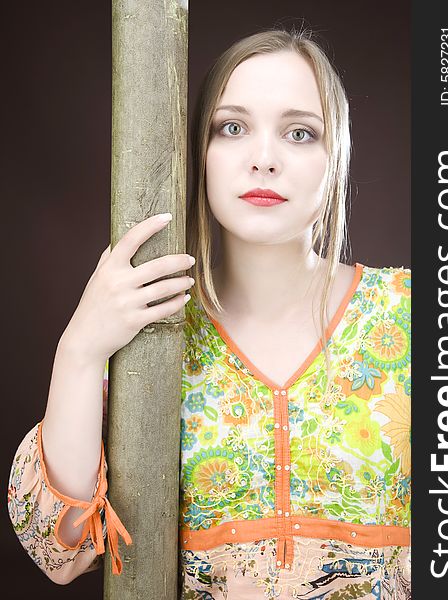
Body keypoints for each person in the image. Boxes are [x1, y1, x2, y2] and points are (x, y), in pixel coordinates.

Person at [7, 27, 411, 598]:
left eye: (300, 133)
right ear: (199, 151)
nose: (264, 160)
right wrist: (79, 348)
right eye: (233, 127)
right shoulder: (148, 330)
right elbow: (60, 553)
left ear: (337, 155)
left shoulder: (419, 316)